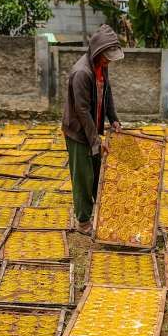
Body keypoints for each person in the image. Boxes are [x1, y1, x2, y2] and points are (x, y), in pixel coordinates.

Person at [62, 24, 124, 234]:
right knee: (83, 177)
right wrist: (96, 141)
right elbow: (81, 110)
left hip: (93, 130)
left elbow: (107, 93)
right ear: (97, 52)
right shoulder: (82, 73)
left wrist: (113, 119)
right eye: (106, 58)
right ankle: (83, 221)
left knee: (98, 173)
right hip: (78, 132)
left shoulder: (101, 67)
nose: (108, 62)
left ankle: (101, 212)